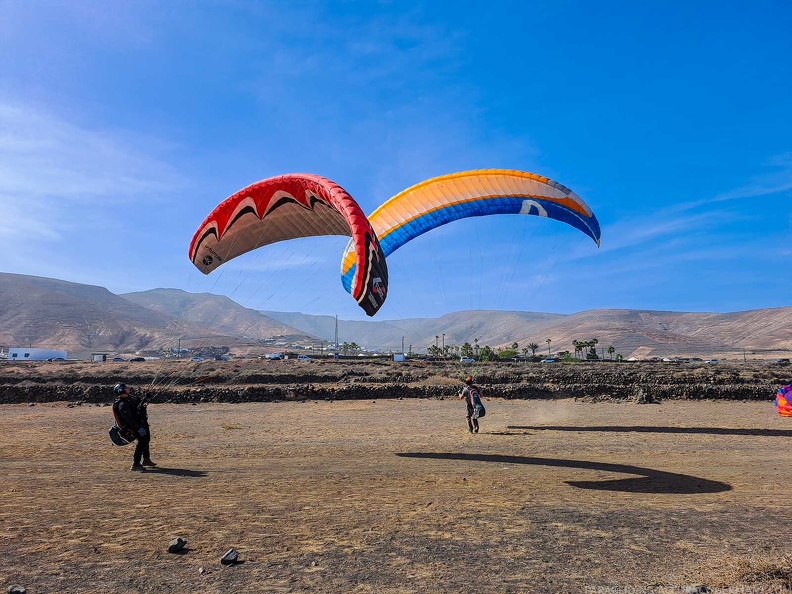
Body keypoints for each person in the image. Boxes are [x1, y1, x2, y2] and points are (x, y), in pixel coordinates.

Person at [112, 382, 156, 471]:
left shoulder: (131, 398)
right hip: (133, 426)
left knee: (146, 439)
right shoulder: (122, 405)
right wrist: (138, 428)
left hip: (141, 422)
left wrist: (147, 398)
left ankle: (146, 459)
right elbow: (129, 420)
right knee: (142, 442)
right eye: (126, 387)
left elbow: (140, 405)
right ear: (122, 390)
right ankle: (135, 464)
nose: (128, 388)